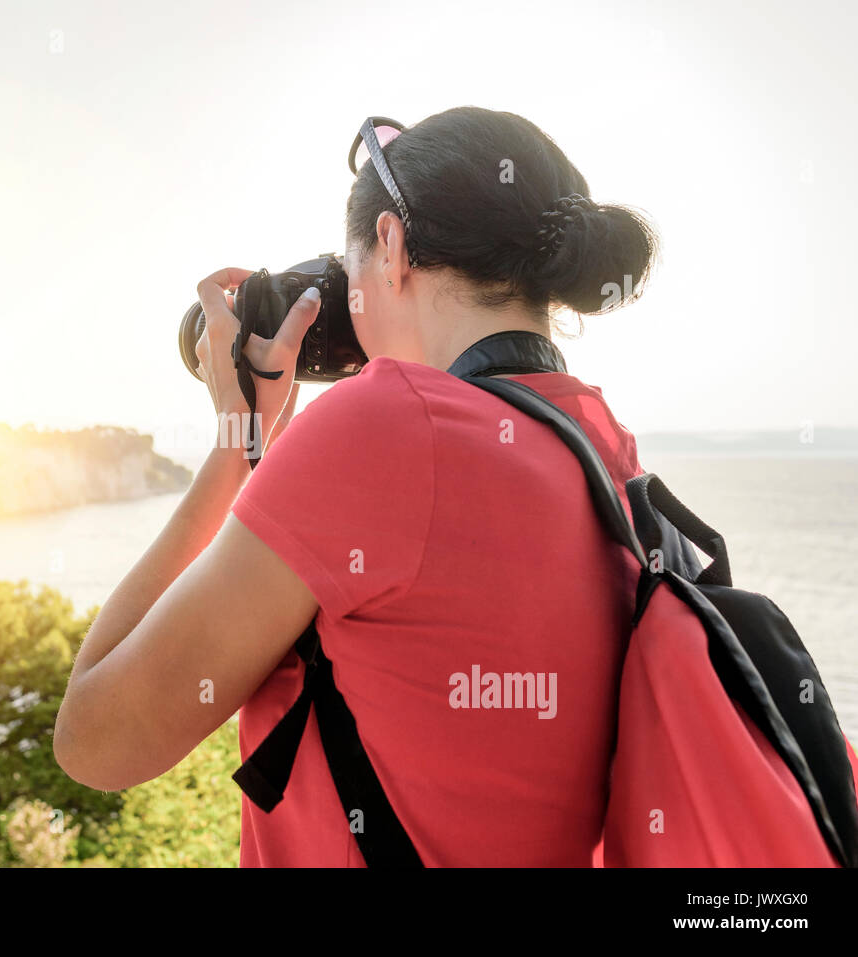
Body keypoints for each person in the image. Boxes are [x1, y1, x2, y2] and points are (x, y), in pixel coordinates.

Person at [53, 105, 659, 866]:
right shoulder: (606, 449)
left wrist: (236, 445)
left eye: (350, 275)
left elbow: (95, 741)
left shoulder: (380, 428)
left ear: (391, 246)